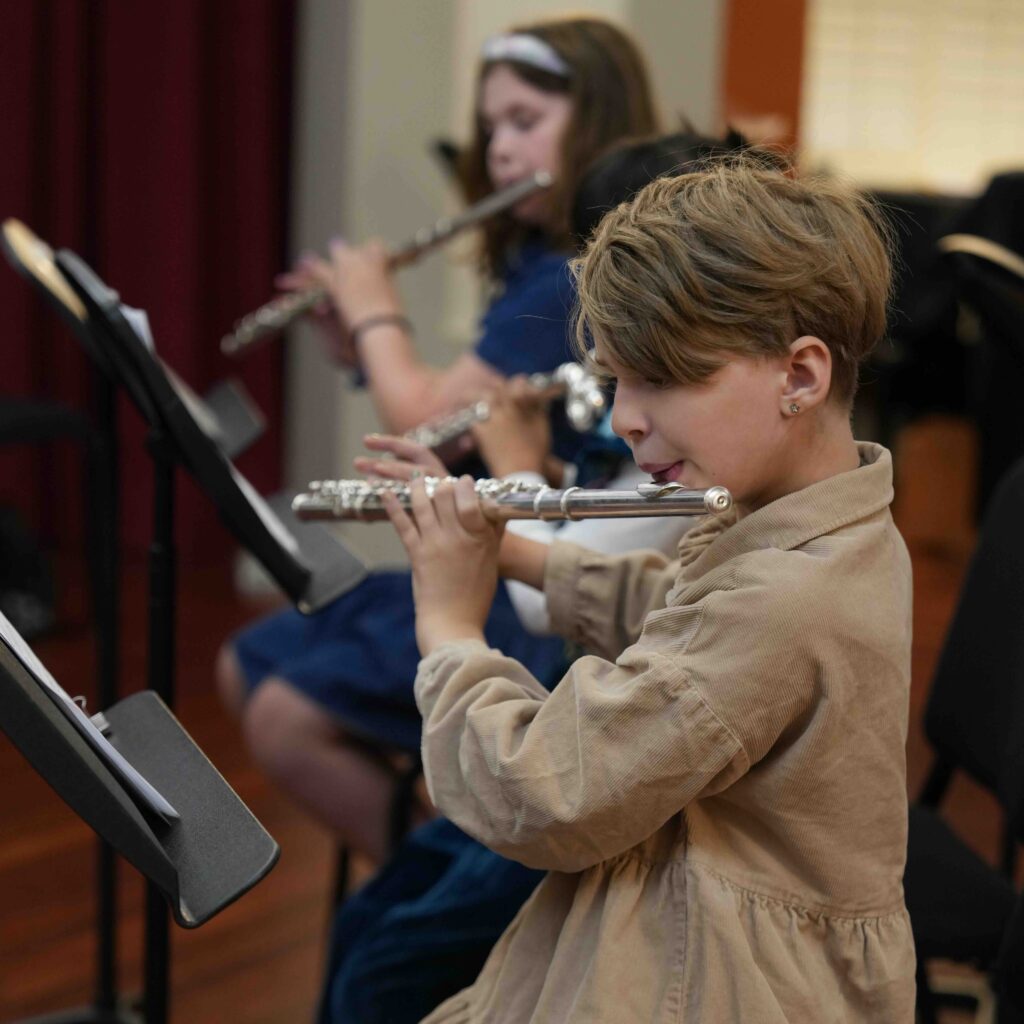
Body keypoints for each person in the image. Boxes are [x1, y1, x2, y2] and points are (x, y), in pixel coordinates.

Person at [381, 156, 916, 1021]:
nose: (627, 416)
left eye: (661, 378)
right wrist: (511, 555)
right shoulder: (823, 514)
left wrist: (449, 628)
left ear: (800, 375)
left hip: (725, 981)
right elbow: (682, 613)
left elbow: (546, 796)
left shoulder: (786, 600)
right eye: (617, 379)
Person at [215, 16, 662, 864]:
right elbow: (458, 431)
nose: (498, 149)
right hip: (495, 554)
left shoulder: (575, 274)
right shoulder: (535, 257)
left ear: (595, 124)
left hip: (538, 600)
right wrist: (357, 342)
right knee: (249, 664)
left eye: (525, 122)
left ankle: (455, 895)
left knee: (284, 717)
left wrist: (375, 304)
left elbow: (424, 420)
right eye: (492, 125)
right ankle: (441, 883)